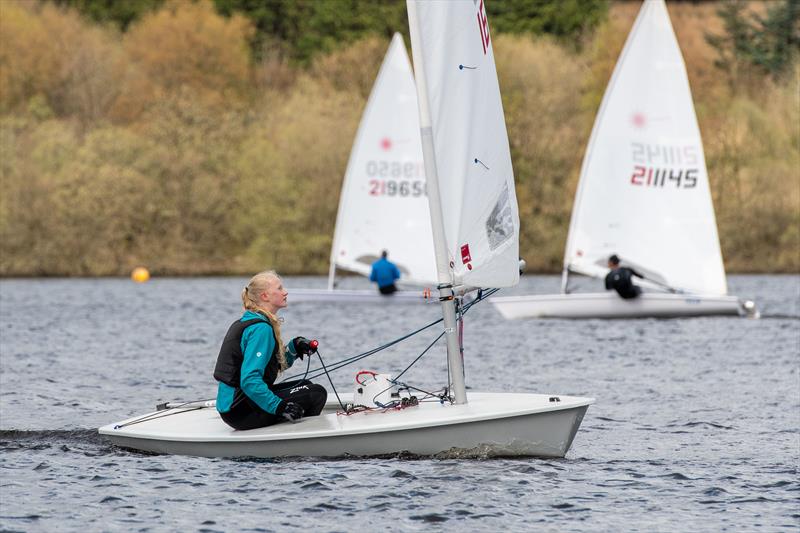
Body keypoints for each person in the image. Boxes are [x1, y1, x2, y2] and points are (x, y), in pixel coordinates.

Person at [213, 270, 327, 430]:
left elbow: (271, 366)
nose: (285, 292)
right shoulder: (260, 328)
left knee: (307, 384)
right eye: (280, 288)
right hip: (240, 410)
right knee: (316, 393)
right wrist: (280, 407)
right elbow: (249, 381)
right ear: (265, 296)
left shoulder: (252, 321)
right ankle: (298, 444)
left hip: (236, 406)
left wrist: (295, 347)